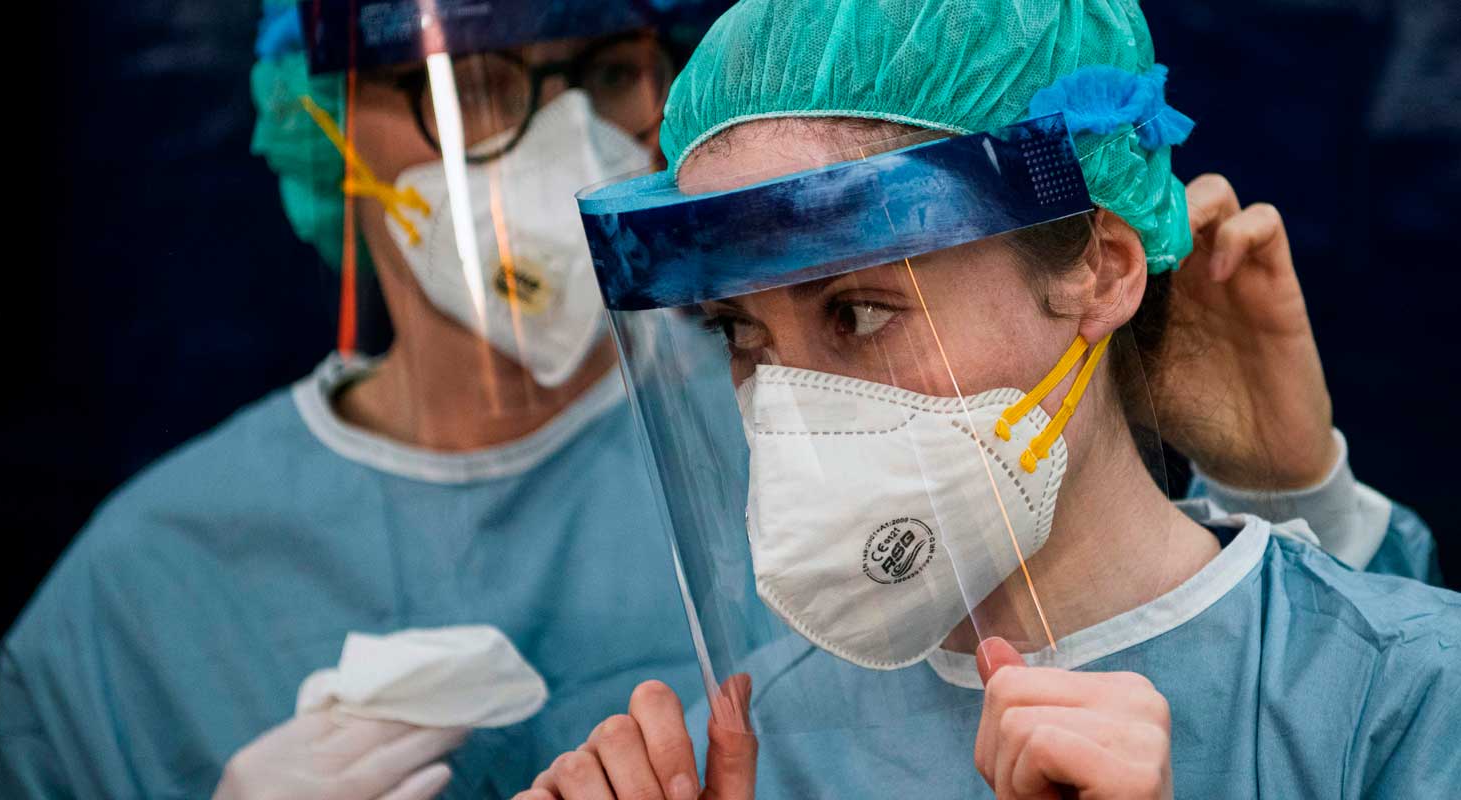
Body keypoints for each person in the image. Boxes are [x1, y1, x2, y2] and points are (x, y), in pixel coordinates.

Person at [516, 0, 1460, 797]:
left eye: (859, 311)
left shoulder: (1407, 698)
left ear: (1102, 270)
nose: (791, 406)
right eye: (738, 332)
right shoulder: (744, 747)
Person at [0, 2, 732, 797]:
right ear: (325, 119)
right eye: (471, 85)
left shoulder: (775, 443)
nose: (567, 142)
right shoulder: (146, 591)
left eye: (611, 73)